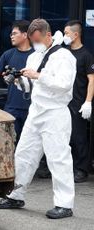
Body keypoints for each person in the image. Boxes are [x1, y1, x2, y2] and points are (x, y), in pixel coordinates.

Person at [0, 19, 76, 219]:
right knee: (24, 154)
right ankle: (15, 195)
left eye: (38, 40)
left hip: (55, 112)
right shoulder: (35, 56)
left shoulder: (64, 56)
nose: (35, 43)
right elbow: (30, 87)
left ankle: (64, 204)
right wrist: (18, 80)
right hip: (36, 111)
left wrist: (38, 76)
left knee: (58, 158)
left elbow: (63, 84)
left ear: (48, 35)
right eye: (33, 40)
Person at [63, 20, 94, 183]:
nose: (64, 36)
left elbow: (92, 79)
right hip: (63, 102)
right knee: (63, 137)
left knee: (78, 137)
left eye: (67, 33)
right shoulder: (64, 53)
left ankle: (81, 169)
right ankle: (66, 168)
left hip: (78, 102)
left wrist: (88, 102)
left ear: (76, 34)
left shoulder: (86, 55)